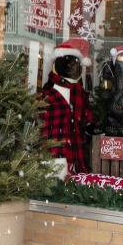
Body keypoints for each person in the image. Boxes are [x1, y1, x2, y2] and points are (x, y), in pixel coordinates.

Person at [40, 40, 93, 175]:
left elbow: (89, 119)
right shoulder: (45, 96)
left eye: (75, 63)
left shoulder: (80, 94)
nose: (71, 65)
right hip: (51, 158)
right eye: (68, 62)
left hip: (76, 159)